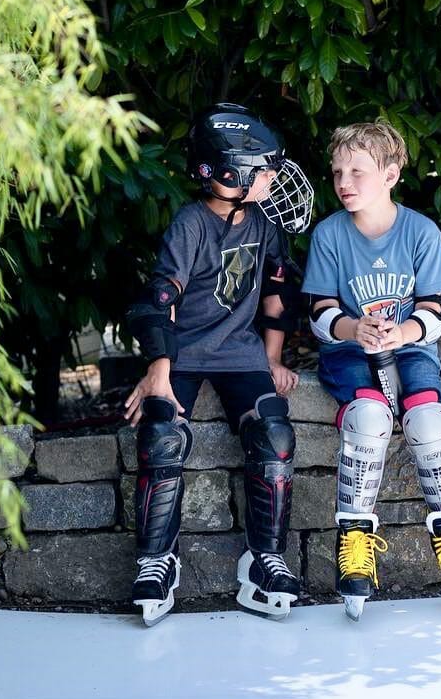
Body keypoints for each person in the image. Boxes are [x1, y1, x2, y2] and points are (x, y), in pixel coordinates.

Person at [122, 103, 315, 626]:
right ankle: (157, 561)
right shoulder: (191, 224)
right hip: (184, 351)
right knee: (162, 432)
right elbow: (159, 296)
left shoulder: (263, 222)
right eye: (265, 170)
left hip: (240, 353)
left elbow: (277, 290)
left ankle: (263, 560)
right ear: (228, 174)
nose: (275, 179)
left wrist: (272, 361)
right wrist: (158, 369)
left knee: (274, 435)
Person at [301, 119, 441, 620]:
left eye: (358, 171)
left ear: (390, 173)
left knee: (428, 419)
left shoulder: (421, 232)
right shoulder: (329, 236)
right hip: (349, 353)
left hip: (408, 349)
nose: (344, 181)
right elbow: (320, 312)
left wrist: (402, 334)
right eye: (338, 171)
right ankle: (355, 539)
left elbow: (434, 310)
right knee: (371, 418)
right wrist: (352, 331)